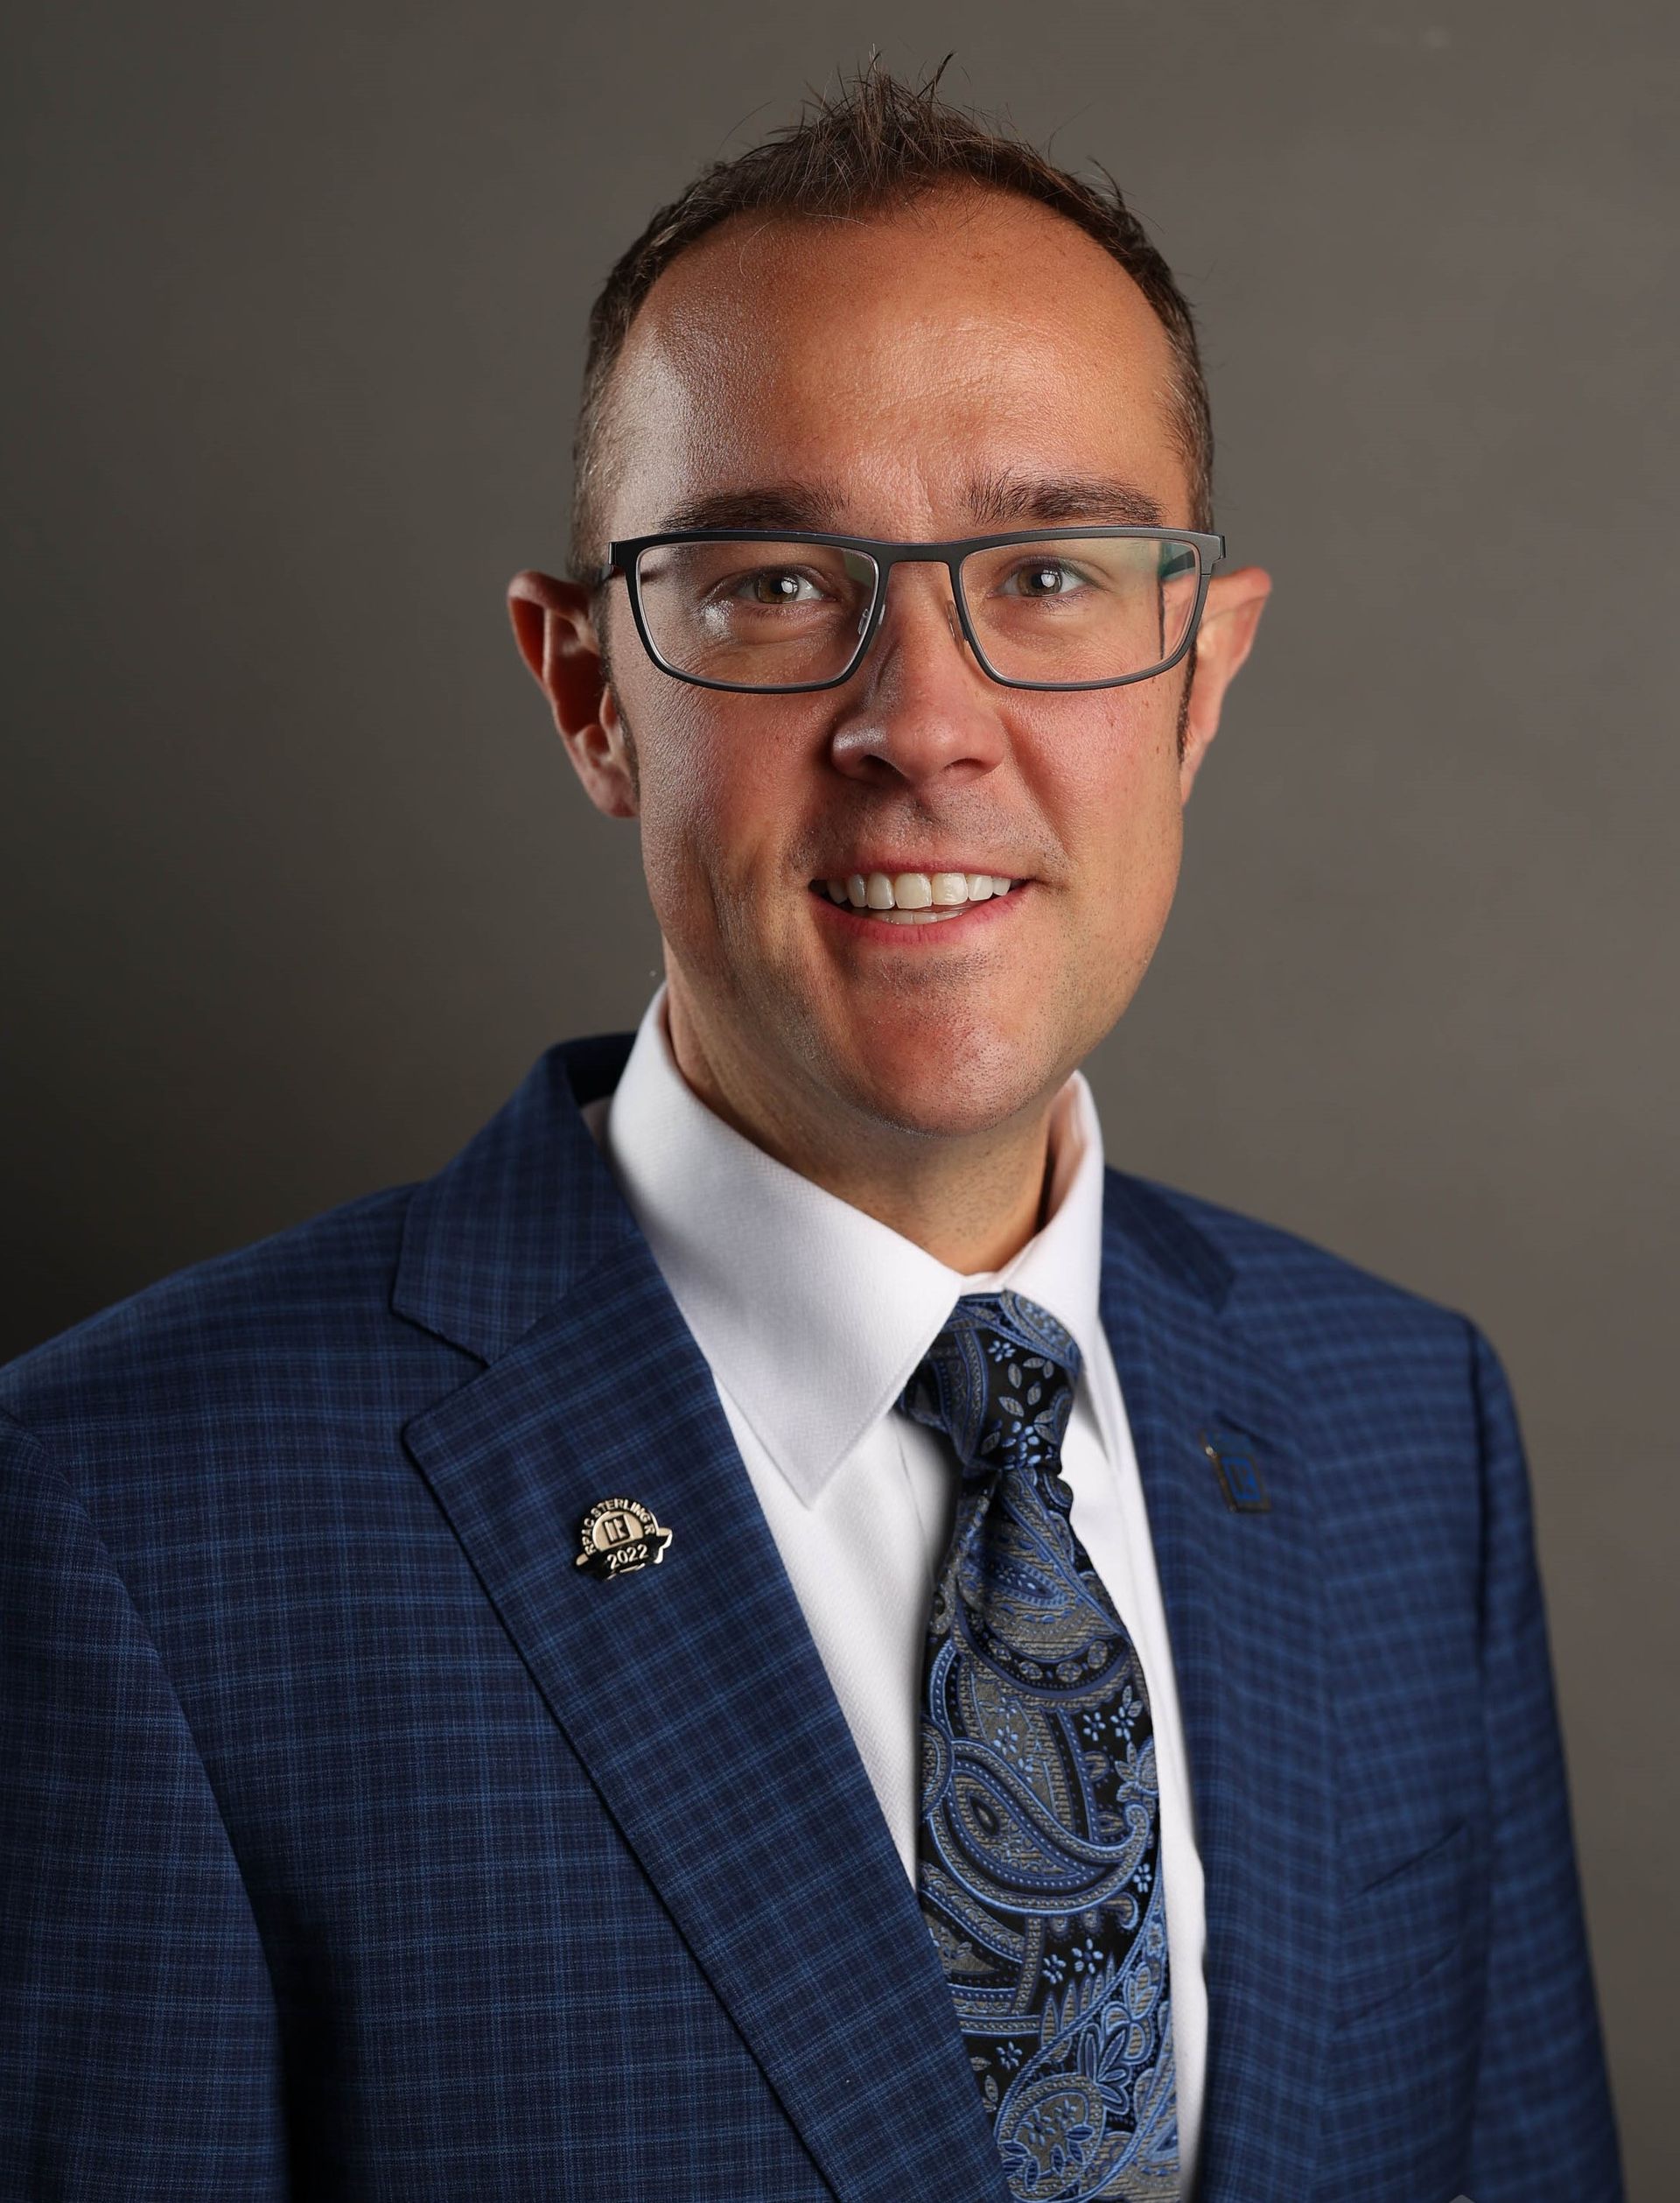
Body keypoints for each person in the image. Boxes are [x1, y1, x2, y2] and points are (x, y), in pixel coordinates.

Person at [0, 67, 1620, 2203]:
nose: (922, 723)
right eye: (772, 583)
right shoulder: (129, 1515)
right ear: (589, 688)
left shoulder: (1412, 1430)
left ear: (1200, 676)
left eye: (1048, 571)